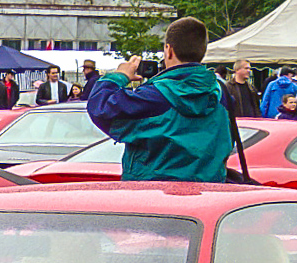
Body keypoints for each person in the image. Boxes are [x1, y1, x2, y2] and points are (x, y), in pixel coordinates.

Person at [86, 16, 232, 182]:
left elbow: (100, 107)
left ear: (169, 50)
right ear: (202, 51)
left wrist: (119, 75)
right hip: (209, 191)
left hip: (154, 192)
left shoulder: (154, 96)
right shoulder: (221, 95)